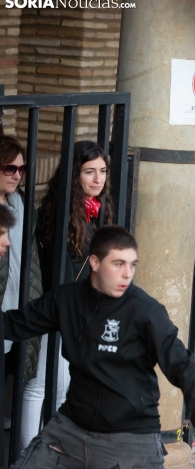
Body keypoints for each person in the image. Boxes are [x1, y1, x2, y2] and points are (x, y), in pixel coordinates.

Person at [5, 226, 195, 468]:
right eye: (118, 264)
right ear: (95, 262)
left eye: (132, 265)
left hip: (130, 437)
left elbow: (183, 367)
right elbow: (14, 325)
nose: (127, 273)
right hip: (71, 430)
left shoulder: (145, 311)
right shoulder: (66, 299)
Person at [30, 141, 114, 449]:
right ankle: (30, 451)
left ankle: (52, 447)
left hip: (84, 308)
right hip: (59, 307)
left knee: (64, 383)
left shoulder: (98, 209)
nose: (97, 179)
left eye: (102, 171)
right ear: (74, 174)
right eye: (89, 172)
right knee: (41, 383)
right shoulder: (59, 211)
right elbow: (60, 270)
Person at [0, 136, 42, 412]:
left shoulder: (22, 205)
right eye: (9, 169)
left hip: (21, 307)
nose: (17, 175)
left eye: (22, 169)